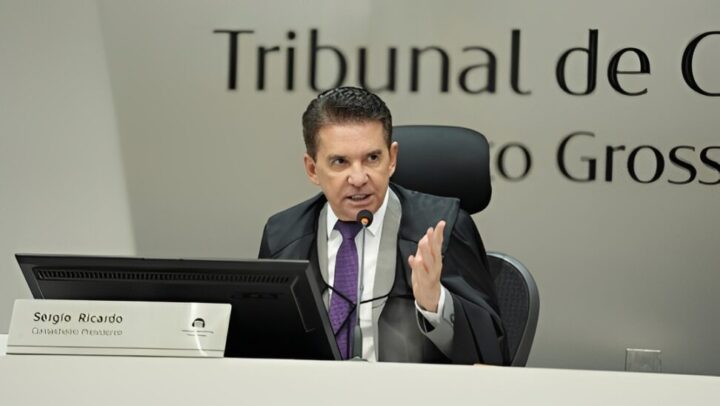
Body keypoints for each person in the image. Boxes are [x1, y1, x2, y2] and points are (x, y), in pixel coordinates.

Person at [259, 87, 508, 365]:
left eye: (372, 158)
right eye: (340, 162)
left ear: (392, 159)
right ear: (312, 169)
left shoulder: (442, 229)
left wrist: (436, 303)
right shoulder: (283, 237)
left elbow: (492, 351)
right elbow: (261, 346)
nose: (358, 178)